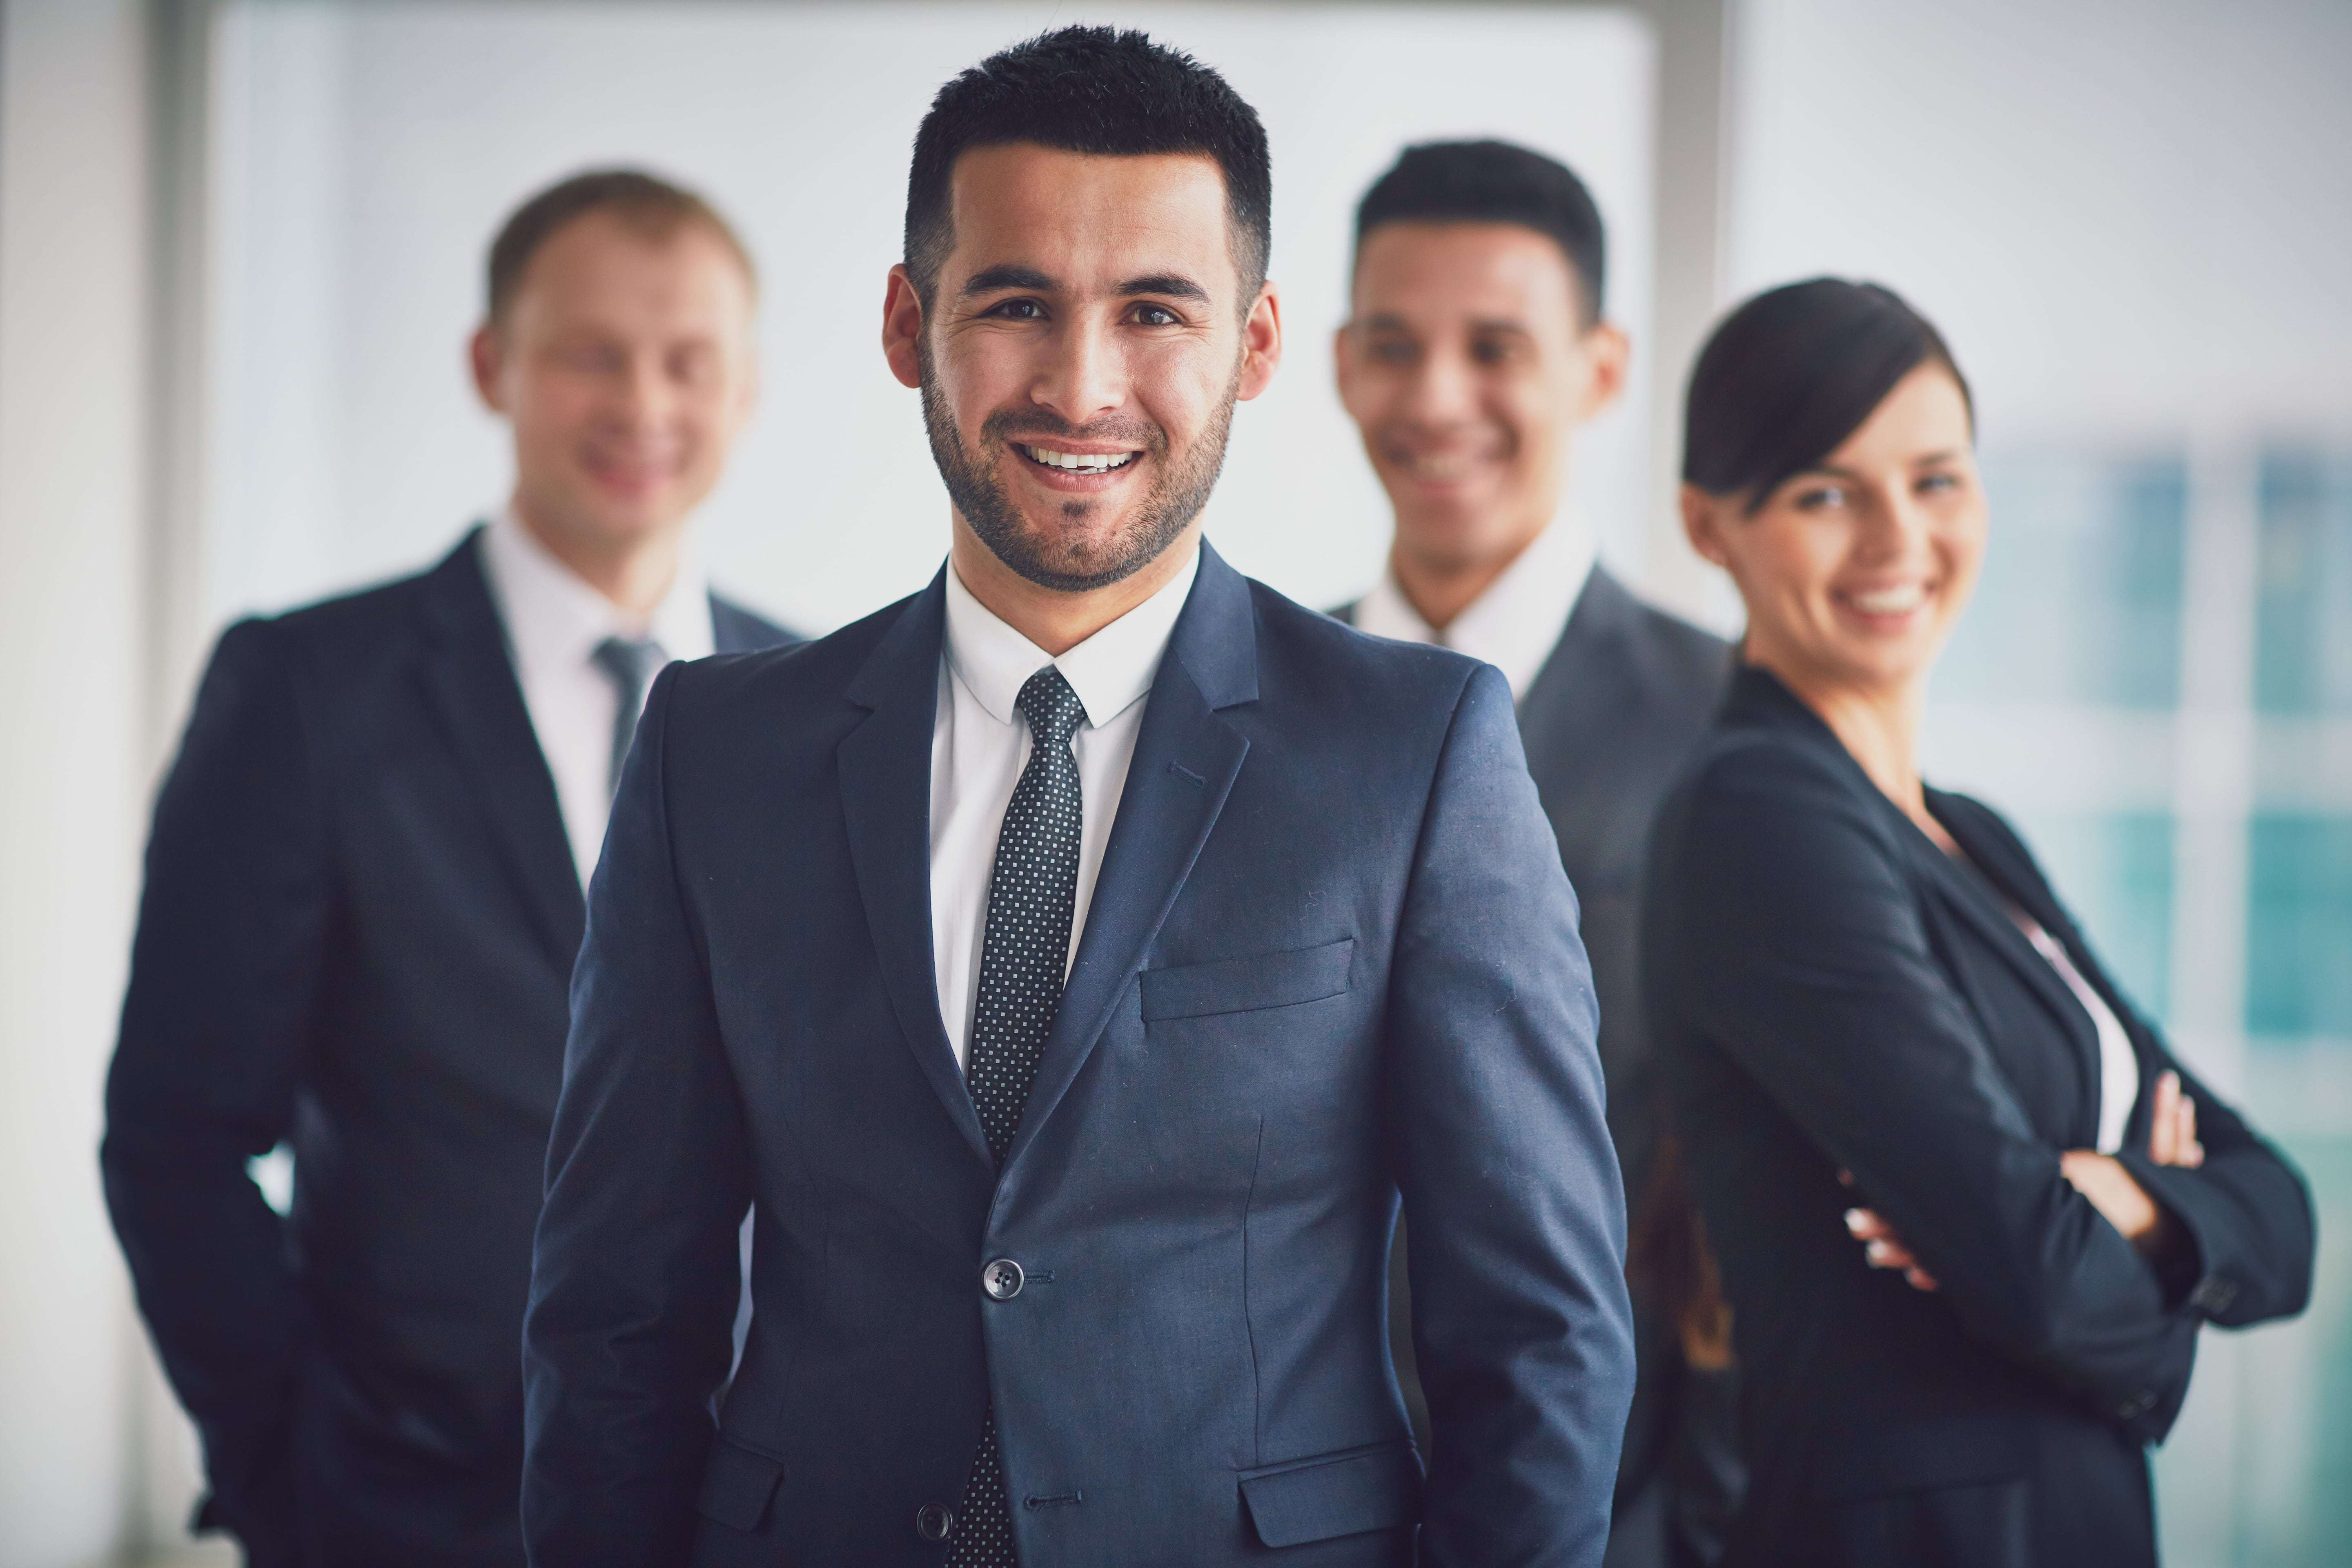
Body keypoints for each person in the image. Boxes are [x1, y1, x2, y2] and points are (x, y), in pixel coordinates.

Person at [521, 28, 1634, 1568]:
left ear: (1251, 348)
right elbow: (613, 1324)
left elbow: (1542, 1338)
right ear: (911, 324)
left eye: (1155, 310)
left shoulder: (1416, 752)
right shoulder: (716, 750)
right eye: (1018, 303)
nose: (1083, 382)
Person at [102, 169, 797, 1567]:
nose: (643, 406)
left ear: (748, 385)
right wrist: (287, 1473)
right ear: (494, 366)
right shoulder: (305, 692)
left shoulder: (819, 703)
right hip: (408, 1506)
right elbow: (176, 1138)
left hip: (758, 1508)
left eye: (688, 361)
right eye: (590, 353)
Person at [1642, 278, 2316, 1566]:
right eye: (1825, 493)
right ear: (1709, 529)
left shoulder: (1974, 835)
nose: (1899, 538)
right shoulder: (1758, 818)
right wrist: (2158, 1258)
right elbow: (2038, 1278)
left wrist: (2114, 1194)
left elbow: (2281, 1216)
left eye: (1938, 479)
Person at [1330, 140, 1738, 1568]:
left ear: (1602, 370)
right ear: (1334, 366)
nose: (1438, 398)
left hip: (1625, 1517)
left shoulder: (1732, 732)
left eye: (1495, 347)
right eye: (1395, 346)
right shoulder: (1244, 712)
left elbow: (1767, 1194)